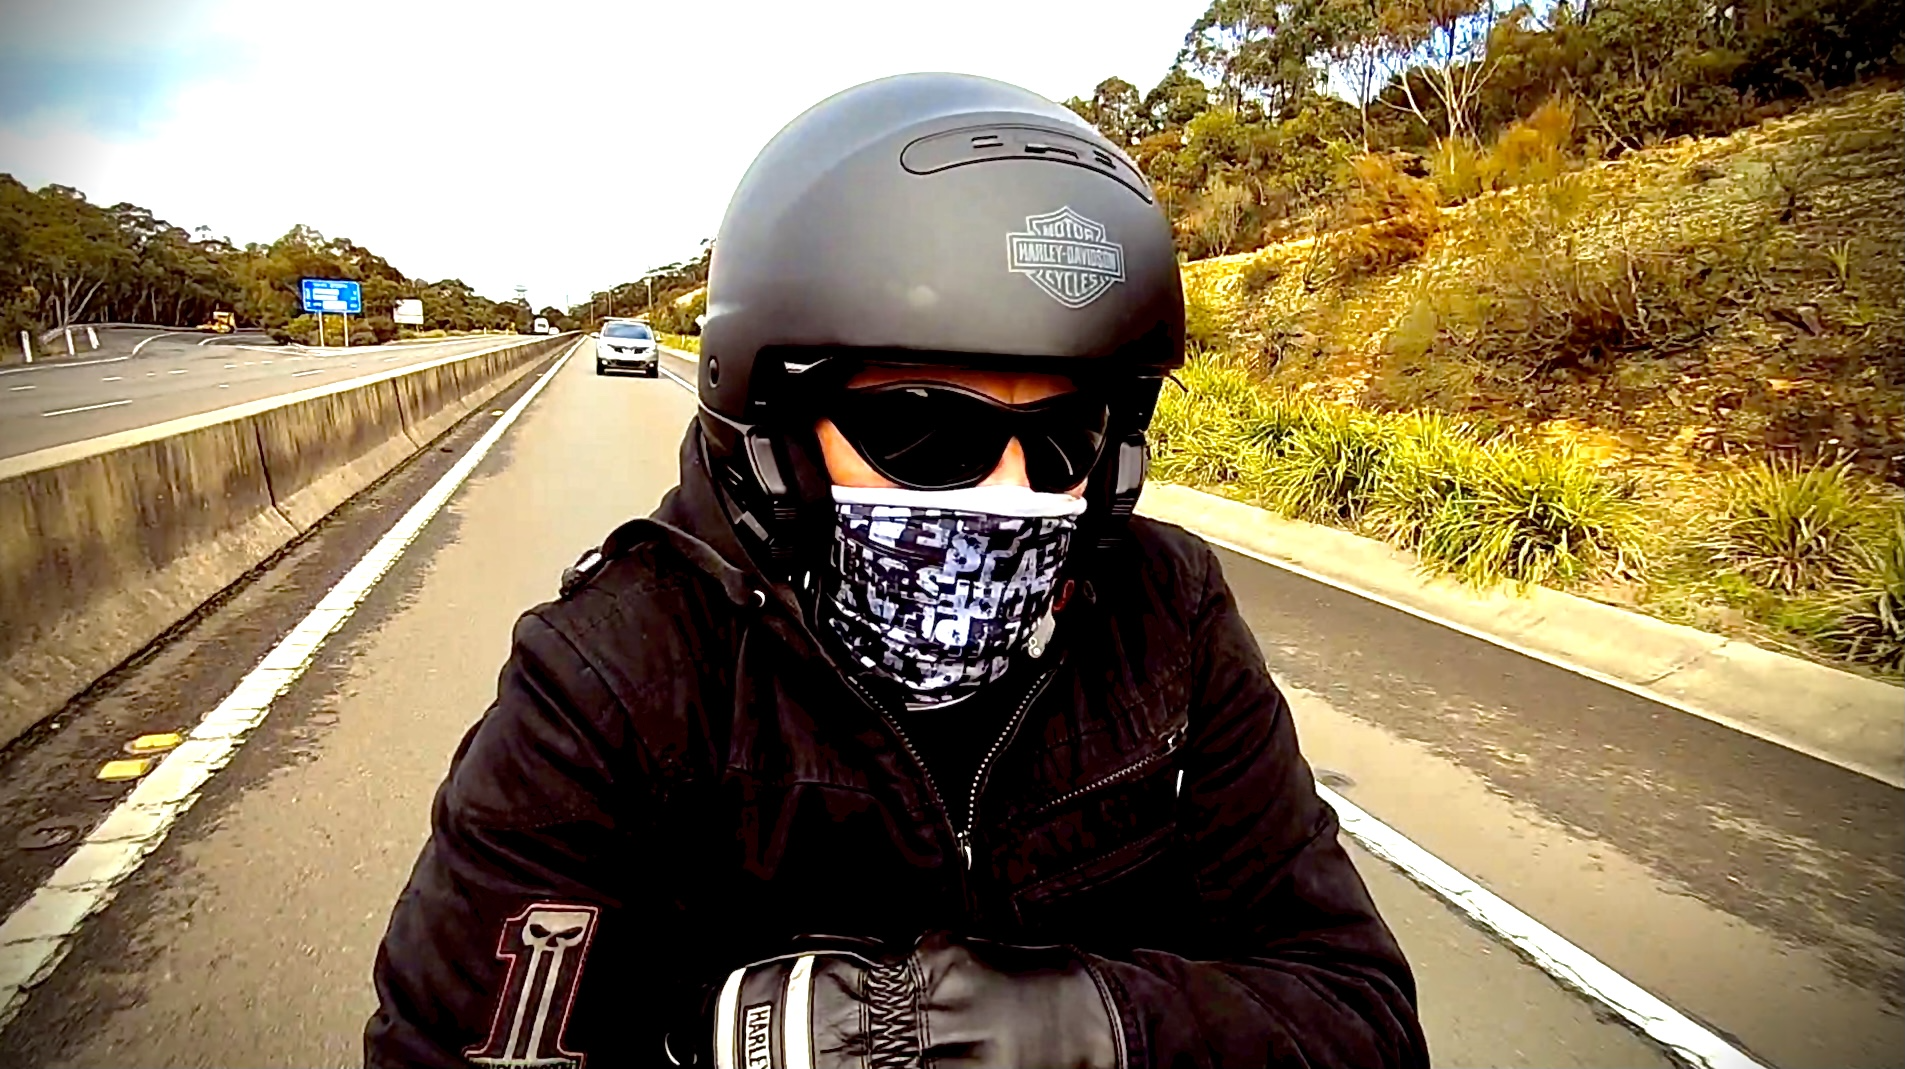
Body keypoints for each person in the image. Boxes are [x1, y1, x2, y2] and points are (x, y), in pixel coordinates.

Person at [366, 72, 1426, 1069]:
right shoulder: (615, 677)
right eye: (922, 431)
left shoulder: (1167, 617)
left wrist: (1082, 1024)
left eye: (1065, 439)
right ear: (776, 435)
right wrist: (695, 1036)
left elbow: (1358, 1011)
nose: (1011, 492)